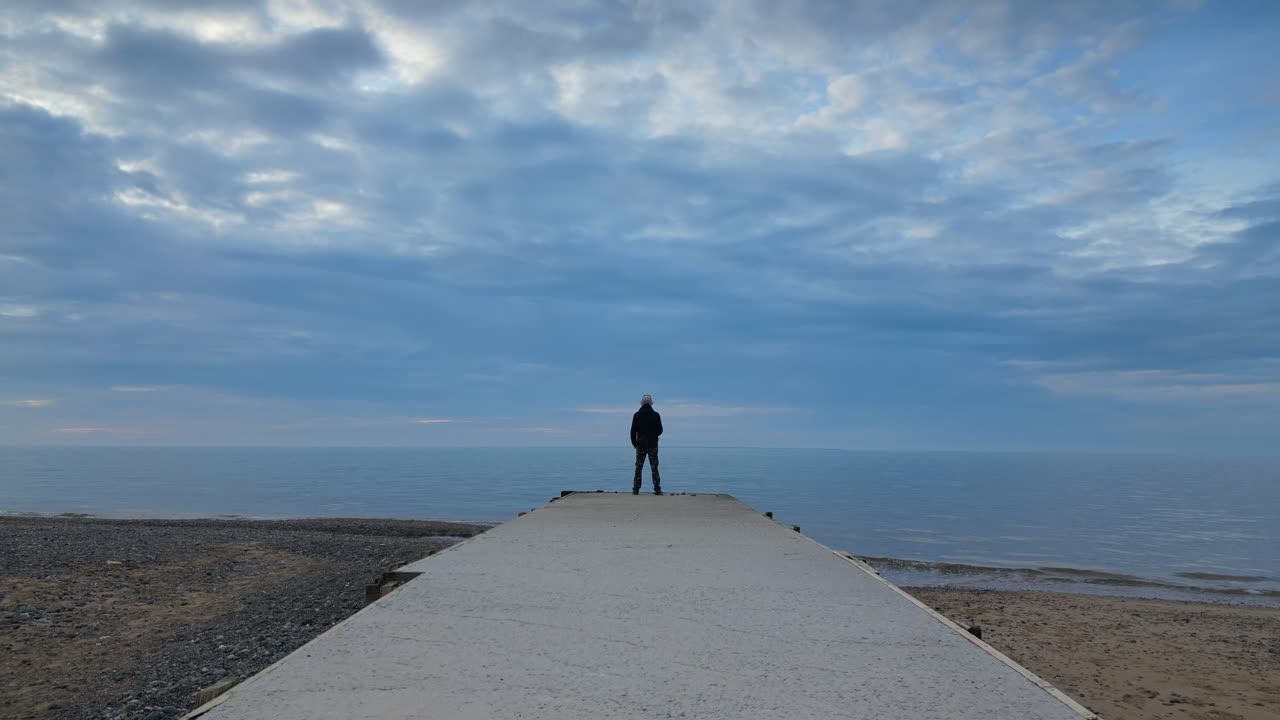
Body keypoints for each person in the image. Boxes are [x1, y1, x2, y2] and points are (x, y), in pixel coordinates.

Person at [630, 394, 663, 495]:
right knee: (654, 467)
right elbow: (660, 430)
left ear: (642, 403)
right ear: (651, 403)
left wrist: (635, 444)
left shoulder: (637, 415)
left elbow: (632, 432)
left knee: (638, 467)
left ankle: (636, 489)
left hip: (641, 445)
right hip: (653, 444)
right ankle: (657, 489)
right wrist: (653, 436)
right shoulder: (656, 415)